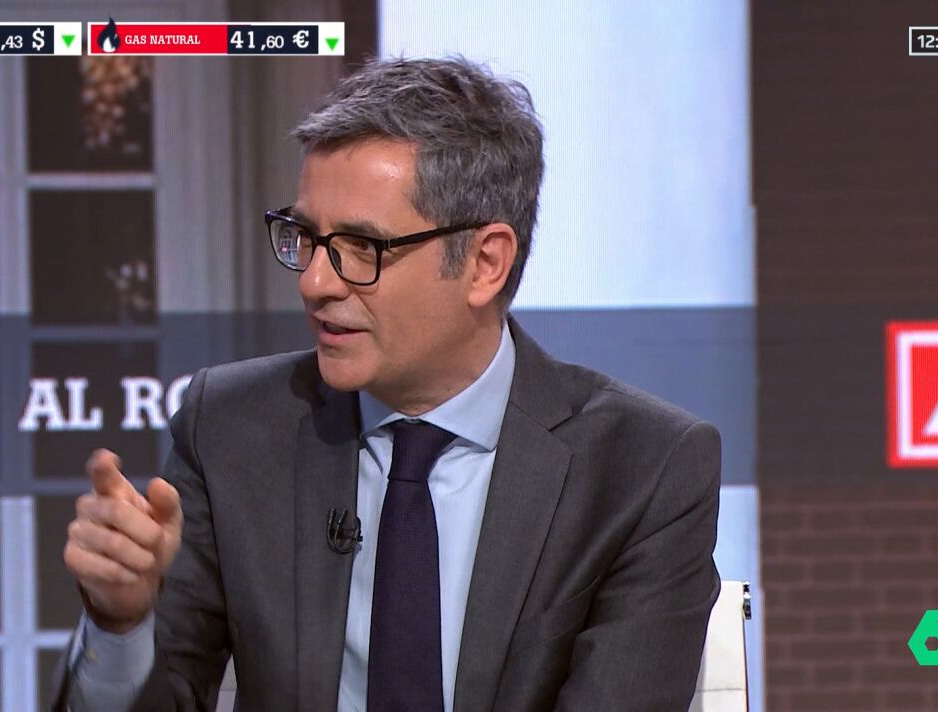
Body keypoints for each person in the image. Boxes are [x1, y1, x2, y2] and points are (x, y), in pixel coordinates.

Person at [54, 55, 721, 712]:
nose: (315, 282)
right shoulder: (231, 429)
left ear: (485, 263)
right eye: (305, 236)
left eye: (362, 247)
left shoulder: (643, 470)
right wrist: (121, 625)